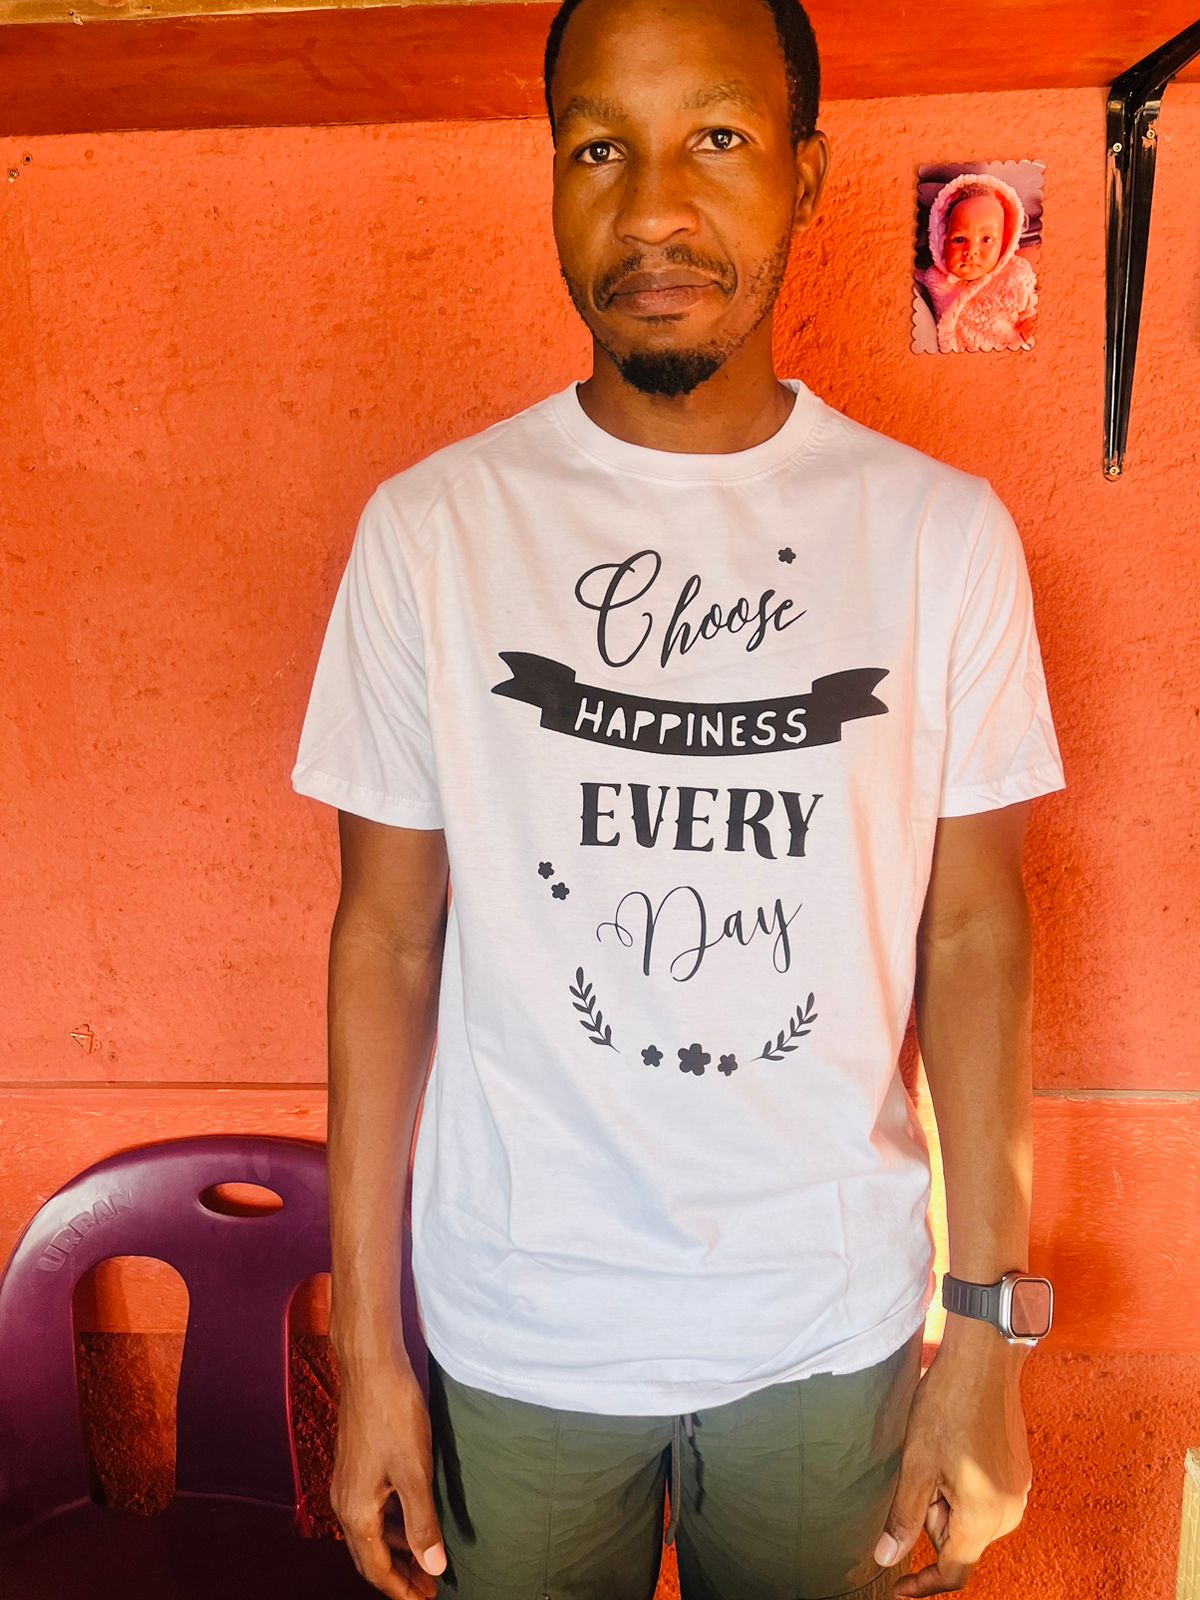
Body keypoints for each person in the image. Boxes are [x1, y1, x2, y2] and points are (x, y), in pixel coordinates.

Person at [289, 0, 1067, 1593]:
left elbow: (976, 938)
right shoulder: (432, 533)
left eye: (717, 137)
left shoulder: (939, 535)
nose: (653, 207)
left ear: (805, 174)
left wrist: (987, 1337)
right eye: (600, 147)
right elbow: (386, 944)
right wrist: (368, 1353)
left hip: (828, 1328)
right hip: (517, 1331)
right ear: (550, 174)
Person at [916, 172, 1039, 353]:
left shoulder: (1015, 275)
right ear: (941, 241)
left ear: (1005, 244)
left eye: (986, 240)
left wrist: (1030, 324)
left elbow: (1030, 310)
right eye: (959, 239)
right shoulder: (935, 278)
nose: (971, 251)